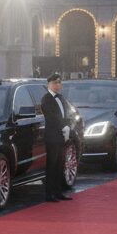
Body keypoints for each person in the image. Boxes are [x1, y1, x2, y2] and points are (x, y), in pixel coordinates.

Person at [41, 73, 73, 202]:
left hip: (61, 136)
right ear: (49, 84)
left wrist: (67, 126)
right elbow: (51, 116)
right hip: (52, 135)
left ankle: (58, 191)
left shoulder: (61, 98)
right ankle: (49, 194)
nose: (58, 85)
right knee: (52, 165)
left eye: (59, 83)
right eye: (55, 83)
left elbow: (67, 113)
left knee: (60, 165)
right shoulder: (46, 99)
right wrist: (62, 126)